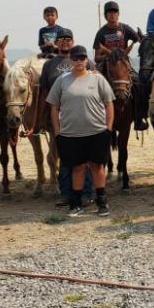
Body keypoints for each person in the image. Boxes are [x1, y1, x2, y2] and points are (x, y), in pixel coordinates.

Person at [47, 45, 115, 217]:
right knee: (77, 168)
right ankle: (76, 203)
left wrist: (109, 127)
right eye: (75, 58)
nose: (78, 61)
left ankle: (102, 201)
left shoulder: (98, 79)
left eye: (82, 58)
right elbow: (54, 106)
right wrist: (57, 131)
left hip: (97, 131)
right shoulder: (62, 80)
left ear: (87, 60)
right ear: (71, 60)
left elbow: (109, 103)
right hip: (71, 134)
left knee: (97, 166)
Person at [39, 28, 94, 204]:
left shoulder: (87, 62)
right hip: (60, 117)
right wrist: (42, 118)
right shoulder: (49, 65)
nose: (65, 42)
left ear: (73, 41)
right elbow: (44, 94)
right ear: (56, 42)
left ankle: (86, 193)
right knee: (64, 157)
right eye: (61, 39)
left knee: (85, 157)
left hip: (84, 116)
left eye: (68, 39)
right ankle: (66, 194)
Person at [93, 1, 147, 131]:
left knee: (139, 84)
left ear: (118, 14)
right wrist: (108, 55)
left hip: (123, 64)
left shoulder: (124, 28)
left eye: (114, 13)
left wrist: (144, 40)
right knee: (92, 87)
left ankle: (139, 118)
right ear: (106, 15)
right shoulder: (101, 33)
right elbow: (96, 57)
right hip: (107, 65)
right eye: (109, 13)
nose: (112, 15)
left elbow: (139, 40)